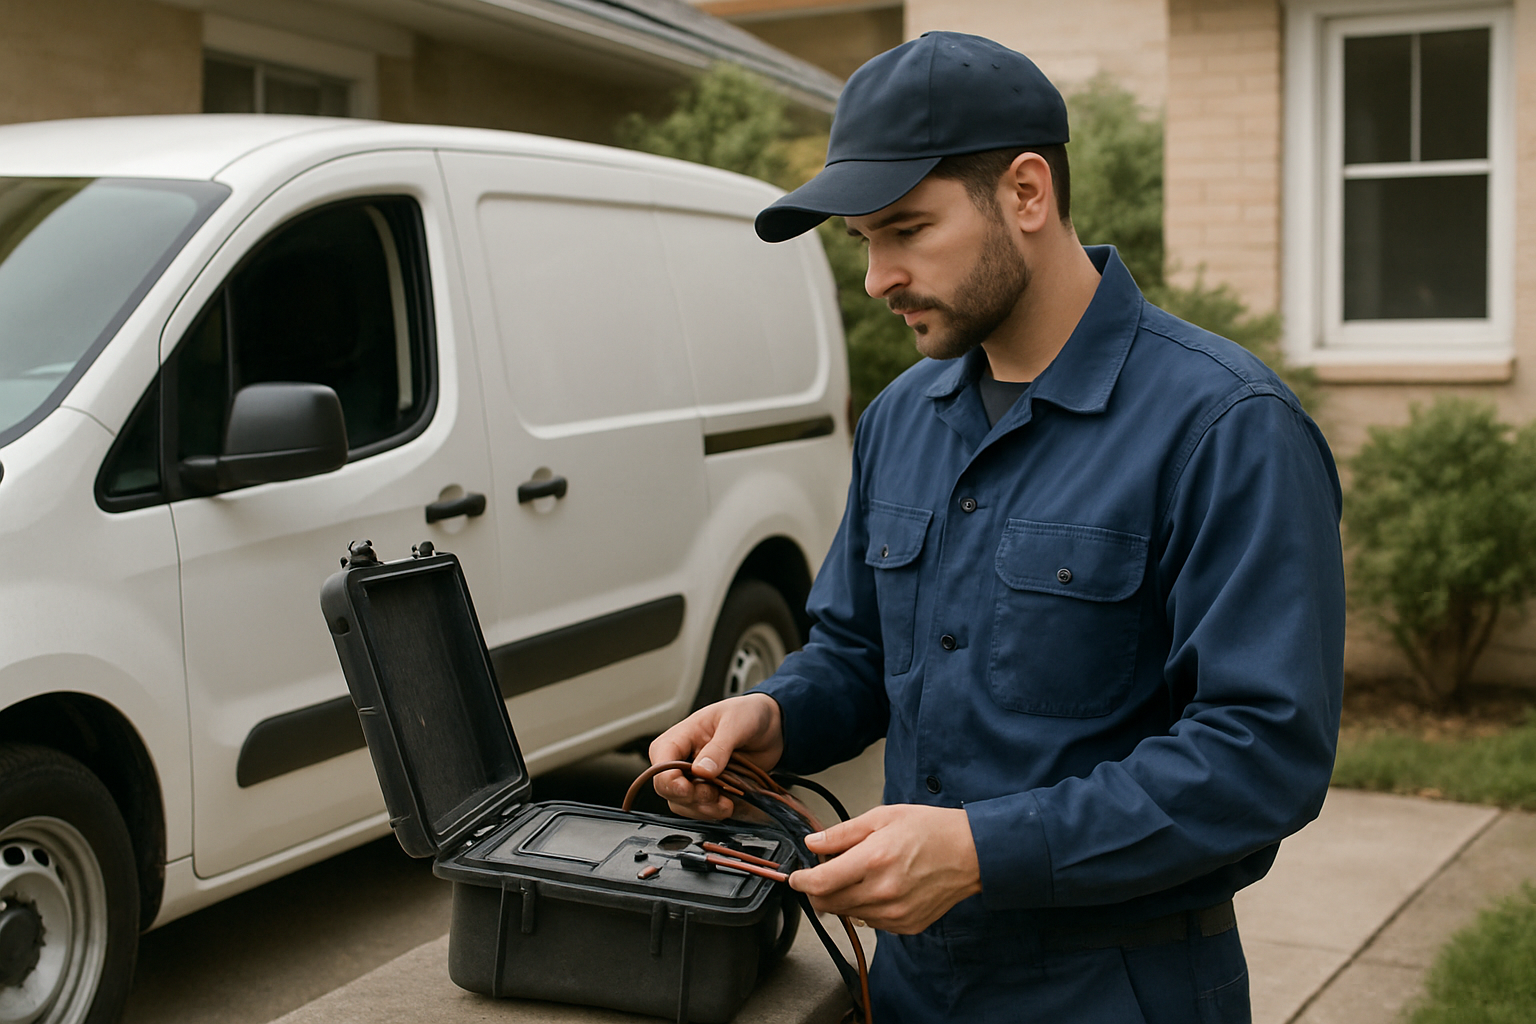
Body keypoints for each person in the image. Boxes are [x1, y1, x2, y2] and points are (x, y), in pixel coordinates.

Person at [651, 31, 1345, 1023]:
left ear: (1027, 193)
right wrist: (774, 718)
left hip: (1118, 990)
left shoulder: (1226, 426)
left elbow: (1260, 755)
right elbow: (855, 651)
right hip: (911, 986)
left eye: (906, 229)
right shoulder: (901, 417)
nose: (877, 278)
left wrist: (981, 852)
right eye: (864, 243)